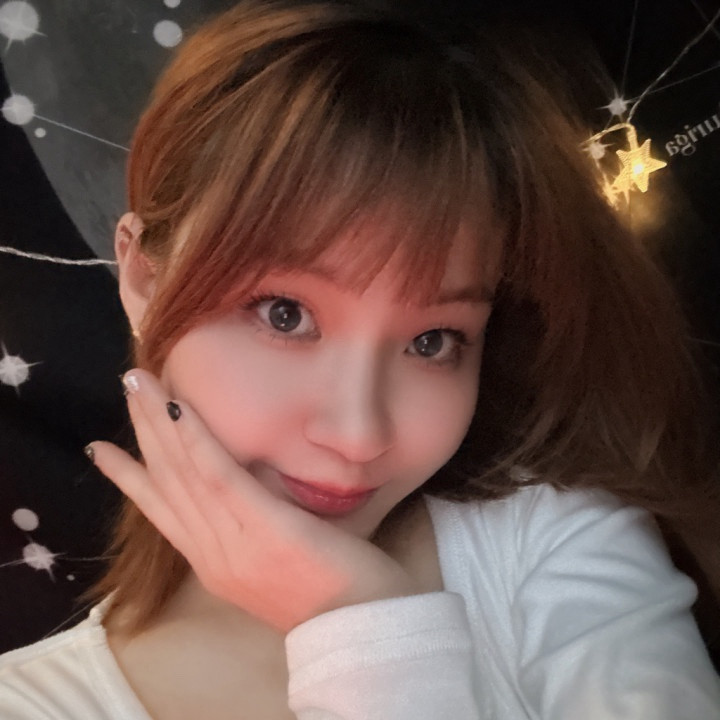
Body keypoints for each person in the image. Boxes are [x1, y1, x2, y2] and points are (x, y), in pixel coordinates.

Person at [1, 1, 719, 717]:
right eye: (284, 314)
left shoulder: (548, 540)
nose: (358, 437)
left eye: (432, 341)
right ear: (143, 278)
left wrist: (362, 628)